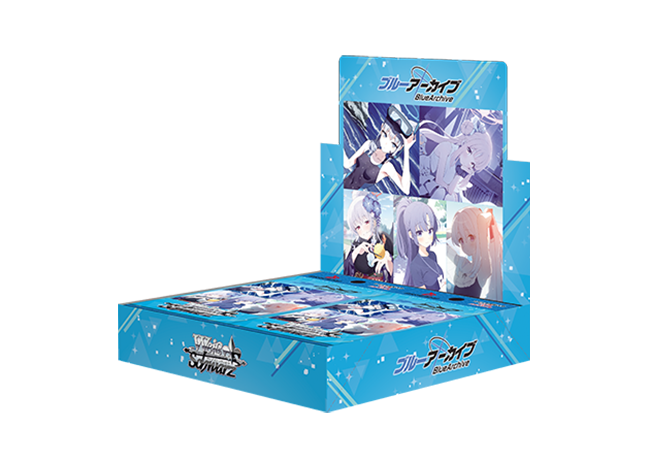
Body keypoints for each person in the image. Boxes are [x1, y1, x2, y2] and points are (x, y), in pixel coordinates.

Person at [343, 104, 416, 194]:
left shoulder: (387, 167)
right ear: (382, 127)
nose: (386, 143)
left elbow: (406, 189)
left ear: (399, 148)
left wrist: (406, 149)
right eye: (385, 134)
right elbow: (347, 164)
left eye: (393, 144)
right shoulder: (368, 145)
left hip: (351, 194)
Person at [449, 207, 502, 300]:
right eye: (461, 240)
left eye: (471, 237)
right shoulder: (461, 263)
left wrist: (482, 226)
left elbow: (484, 250)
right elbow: (447, 250)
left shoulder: (483, 272)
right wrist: (455, 233)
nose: (466, 246)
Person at [395, 198, 445, 290]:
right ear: (411, 234)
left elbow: (436, 280)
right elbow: (423, 293)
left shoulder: (433, 255)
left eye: (430, 231)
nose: (427, 237)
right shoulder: (415, 265)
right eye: (420, 233)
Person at [344, 193, 393, 282]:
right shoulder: (356, 244)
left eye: (366, 222)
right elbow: (346, 271)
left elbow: (393, 274)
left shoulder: (384, 239)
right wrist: (355, 254)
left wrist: (388, 261)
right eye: (358, 227)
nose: (363, 230)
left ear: (373, 220)